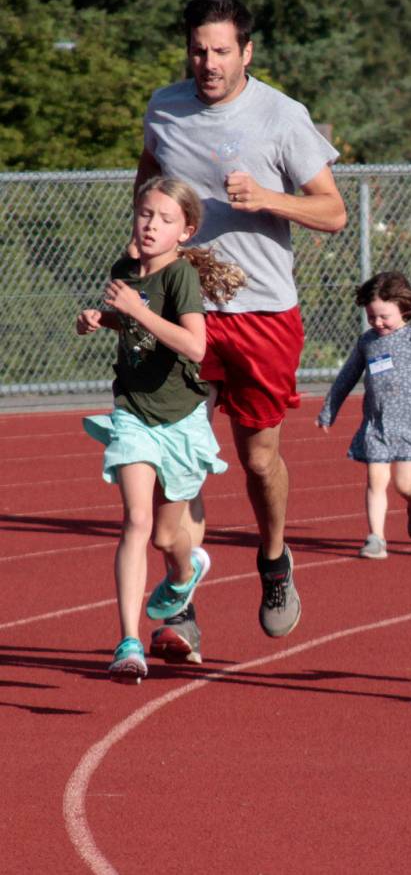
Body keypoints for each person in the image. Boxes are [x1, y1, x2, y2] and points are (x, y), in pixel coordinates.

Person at [134, 0, 347, 656]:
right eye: (199, 50)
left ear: (245, 52)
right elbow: (146, 189)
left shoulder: (281, 116)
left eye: (222, 50)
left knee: (258, 458)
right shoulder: (164, 108)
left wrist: (267, 198)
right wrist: (140, 265)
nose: (209, 63)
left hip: (261, 313)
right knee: (179, 463)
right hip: (183, 309)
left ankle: (275, 560)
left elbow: (333, 211)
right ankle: (181, 602)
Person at [77, 177, 245, 682]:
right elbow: (131, 326)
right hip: (132, 410)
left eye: (165, 219)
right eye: (145, 214)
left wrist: (133, 310)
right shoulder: (125, 271)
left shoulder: (179, 279)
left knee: (166, 537)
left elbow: (194, 347)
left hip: (180, 418)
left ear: (185, 231)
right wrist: (102, 320)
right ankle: (129, 642)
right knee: (136, 521)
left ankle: (185, 571)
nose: (151, 225)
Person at [316, 272, 411, 559]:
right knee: (375, 480)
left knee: (403, 484)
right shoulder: (368, 342)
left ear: (404, 308)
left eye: (384, 316)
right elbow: (347, 376)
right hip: (377, 425)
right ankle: (376, 537)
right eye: (371, 316)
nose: (377, 323)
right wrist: (329, 410)